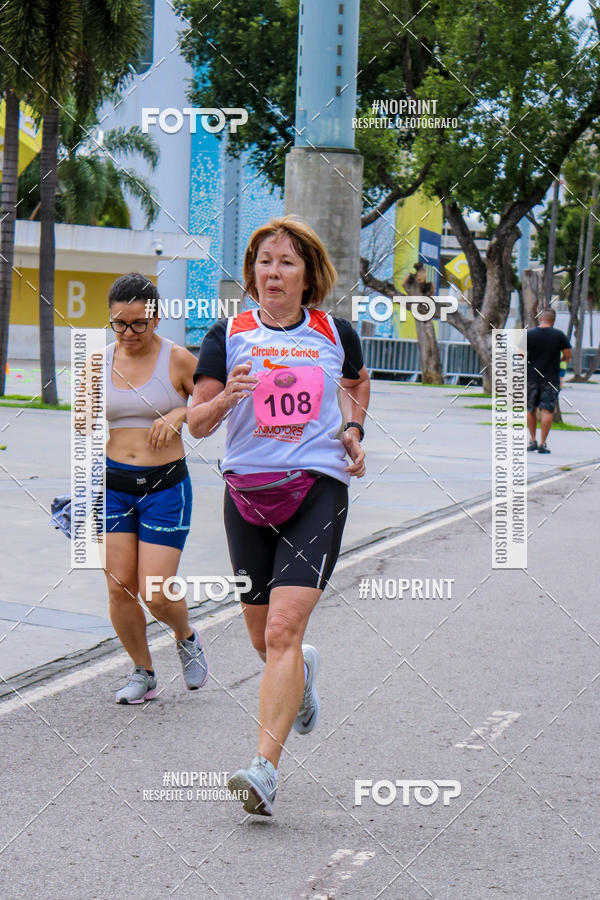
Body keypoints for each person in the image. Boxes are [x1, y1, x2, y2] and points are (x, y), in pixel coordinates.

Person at [188, 217, 370, 816]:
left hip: (317, 486)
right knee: (263, 638)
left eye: (287, 262)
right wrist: (223, 398)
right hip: (247, 492)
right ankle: (302, 675)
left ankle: (263, 769)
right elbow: (196, 422)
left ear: (308, 275)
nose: (273, 272)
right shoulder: (227, 334)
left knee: (282, 631)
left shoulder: (336, 333)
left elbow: (356, 383)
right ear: (252, 272)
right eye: (265, 261)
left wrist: (352, 428)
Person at [103, 274, 209, 703]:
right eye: (119, 323)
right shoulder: (98, 361)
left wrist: (179, 413)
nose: (128, 333)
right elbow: (86, 425)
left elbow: (209, 408)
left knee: (156, 592)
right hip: (113, 487)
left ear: (156, 317)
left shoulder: (179, 360)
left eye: (138, 324)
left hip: (165, 489)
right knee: (118, 587)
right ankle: (143, 672)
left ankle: (185, 636)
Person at [527, 308, 571, 453]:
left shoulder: (529, 334)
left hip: (531, 378)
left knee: (530, 409)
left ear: (540, 319)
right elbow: (567, 355)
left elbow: (520, 355)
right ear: (554, 320)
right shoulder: (559, 335)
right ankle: (542, 443)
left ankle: (532, 440)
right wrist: (559, 359)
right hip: (550, 379)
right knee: (547, 410)